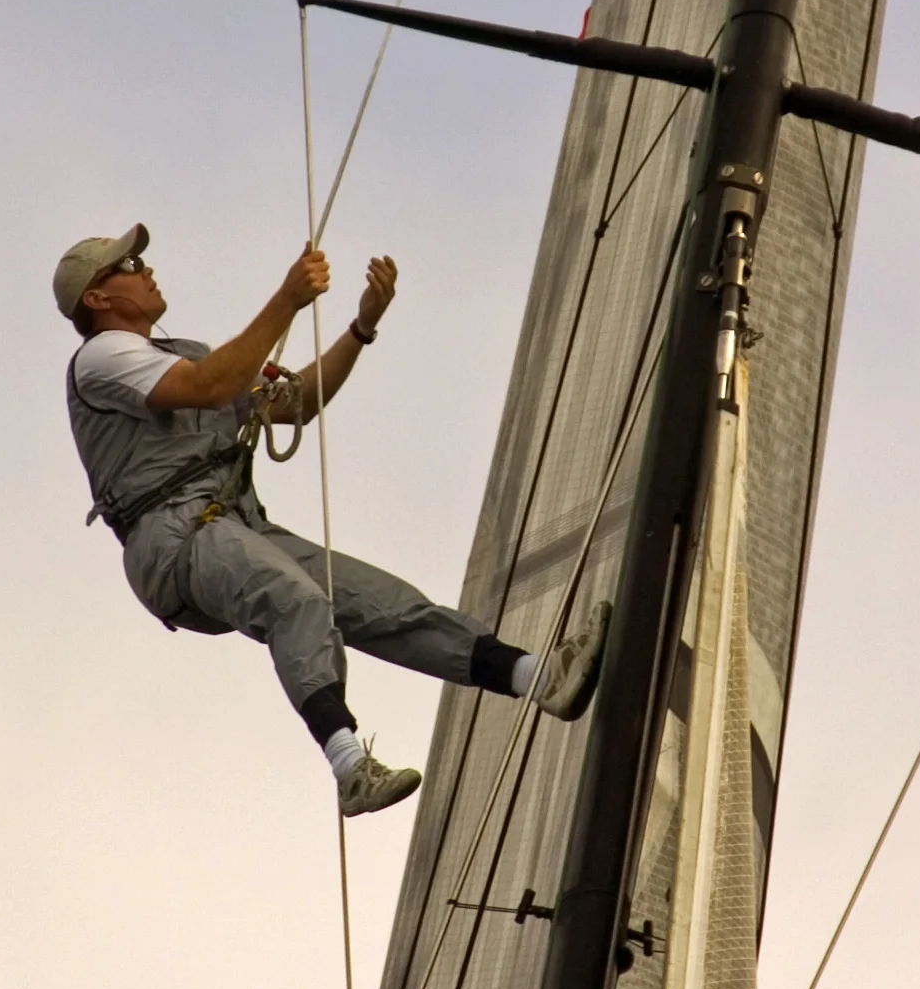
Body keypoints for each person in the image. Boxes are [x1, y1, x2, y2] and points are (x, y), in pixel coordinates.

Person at [54, 222, 609, 817]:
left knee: (385, 605)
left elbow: (298, 402)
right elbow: (213, 387)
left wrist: (361, 327)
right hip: (173, 539)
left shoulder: (178, 354)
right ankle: (350, 766)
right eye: (129, 268)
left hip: (230, 523)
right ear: (98, 298)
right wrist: (288, 298)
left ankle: (538, 677)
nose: (146, 270)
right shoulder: (102, 357)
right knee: (294, 599)